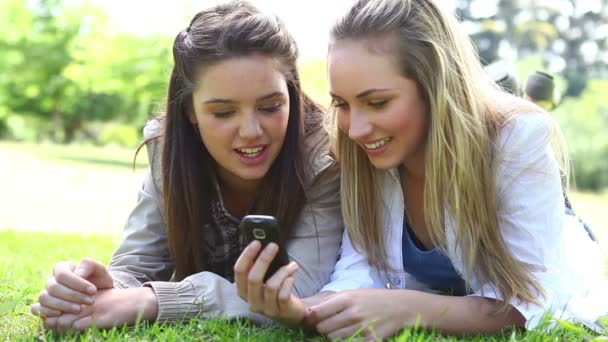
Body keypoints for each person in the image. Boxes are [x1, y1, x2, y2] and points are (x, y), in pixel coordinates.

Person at [234, 0, 608, 339]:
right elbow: (360, 271)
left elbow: (530, 299)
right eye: (343, 104)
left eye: (377, 102)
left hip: (561, 244)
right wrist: (302, 311)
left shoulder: (519, 139)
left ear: (435, 85)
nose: (355, 128)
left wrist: (408, 308)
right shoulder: (366, 156)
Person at [29, 1, 343, 333]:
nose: (251, 130)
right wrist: (90, 289)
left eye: (270, 106)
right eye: (223, 112)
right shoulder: (168, 148)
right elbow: (137, 264)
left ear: (291, 95)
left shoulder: (323, 156)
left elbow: (299, 293)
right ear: (190, 111)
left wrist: (154, 301)